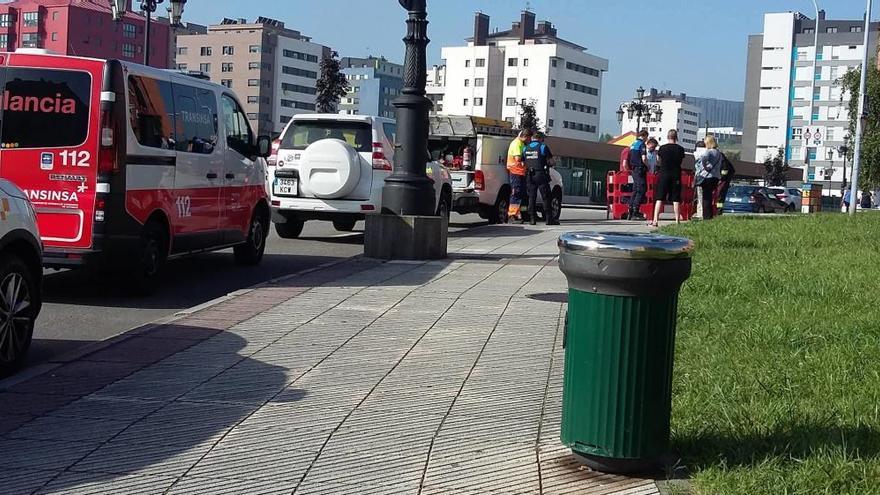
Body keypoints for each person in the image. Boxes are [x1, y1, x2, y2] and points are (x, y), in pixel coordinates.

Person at [523, 132, 559, 226]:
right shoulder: (543, 147)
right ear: (540, 139)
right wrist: (551, 163)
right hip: (541, 174)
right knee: (546, 197)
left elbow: (522, 161)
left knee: (531, 197)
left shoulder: (525, 148)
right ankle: (549, 219)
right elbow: (551, 161)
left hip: (530, 175)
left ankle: (532, 219)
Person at [653, 130, 686, 227]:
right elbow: (681, 161)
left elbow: (659, 160)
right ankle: (677, 221)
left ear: (668, 137)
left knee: (660, 198)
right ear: (676, 137)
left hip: (664, 174)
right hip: (676, 174)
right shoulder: (680, 149)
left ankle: (655, 220)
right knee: (676, 199)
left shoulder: (662, 148)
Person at [506, 129, 532, 223]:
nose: (529, 141)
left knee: (524, 195)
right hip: (515, 172)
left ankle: (524, 214)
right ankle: (512, 215)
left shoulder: (521, 143)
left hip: (521, 172)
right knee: (516, 193)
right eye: (529, 138)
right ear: (526, 136)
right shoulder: (517, 143)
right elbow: (518, 158)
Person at [697, 136, 723, 220]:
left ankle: (706, 216)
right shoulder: (719, 153)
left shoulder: (709, 151)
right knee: (711, 196)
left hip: (707, 176)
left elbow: (704, 158)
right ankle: (711, 214)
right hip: (716, 177)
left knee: (706, 197)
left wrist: (705, 166)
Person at [627, 130, 649, 221]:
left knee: (635, 190)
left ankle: (630, 210)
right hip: (640, 168)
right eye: (646, 137)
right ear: (644, 136)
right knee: (642, 189)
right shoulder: (642, 144)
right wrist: (648, 166)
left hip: (633, 169)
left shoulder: (633, 144)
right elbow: (643, 158)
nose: (647, 139)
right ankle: (636, 211)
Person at [714, 152, 737, 217]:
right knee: (719, 197)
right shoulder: (723, 160)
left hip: (723, 180)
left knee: (719, 196)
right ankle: (718, 210)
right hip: (724, 179)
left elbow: (724, 171)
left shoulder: (723, 161)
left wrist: (720, 178)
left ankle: (719, 211)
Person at [692, 140, 707, 219]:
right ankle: (705, 213)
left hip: (699, 177)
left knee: (700, 196)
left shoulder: (696, 155)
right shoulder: (708, 154)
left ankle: (700, 213)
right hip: (708, 176)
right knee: (706, 196)